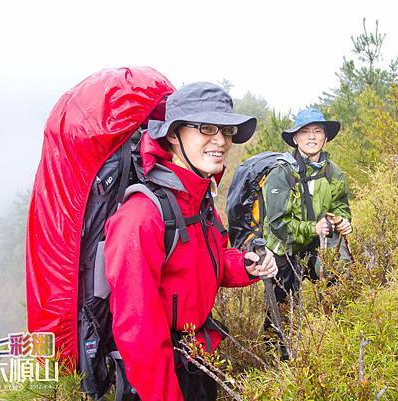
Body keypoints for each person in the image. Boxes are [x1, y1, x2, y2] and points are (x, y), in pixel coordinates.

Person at [104, 82, 278, 401]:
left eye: (226, 130)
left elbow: (209, 261)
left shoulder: (200, 202)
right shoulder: (141, 216)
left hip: (198, 359)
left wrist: (246, 265)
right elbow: (137, 330)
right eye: (206, 127)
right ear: (173, 134)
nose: (221, 140)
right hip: (163, 378)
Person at [261, 107, 352, 313]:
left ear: (325, 138)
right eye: (304, 131)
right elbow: (278, 225)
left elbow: (341, 205)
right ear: (295, 139)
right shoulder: (281, 173)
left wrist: (343, 220)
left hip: (316, 247)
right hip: (284, 248)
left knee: (336, 291)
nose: (312, 136)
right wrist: (313, 228)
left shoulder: (332, 172)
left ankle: (330, 336)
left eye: (318, 131)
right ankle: (276, 344)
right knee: (281, 310)